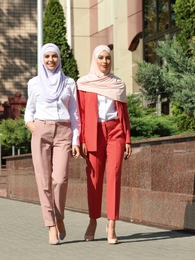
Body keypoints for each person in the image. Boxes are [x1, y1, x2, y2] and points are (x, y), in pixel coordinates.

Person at [24, 43, 81, 245]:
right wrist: (34, 128)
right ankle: (50, 225)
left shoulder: (69, 83)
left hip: (64, 132)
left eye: (54, 56)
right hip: (41, 131)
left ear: (59, 58)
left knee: (60, 179)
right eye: (47, 56)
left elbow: (75, 114)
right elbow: (28, 112)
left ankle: (60, 217)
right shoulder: (34, 83)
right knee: (43, 181)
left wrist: (76, 139)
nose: (50, 60)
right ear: (42, 59)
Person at [77, 45, 132, 244]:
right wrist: (81, 139)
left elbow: (124, 113)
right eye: (100, 57)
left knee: (114, 175)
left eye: (108, 58)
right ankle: (93, 221)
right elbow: (80, 114)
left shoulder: (118, 84)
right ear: (94, 59)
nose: (104, 61)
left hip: (115, 131)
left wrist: (127, 138)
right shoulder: (83, 83)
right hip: (93, 132)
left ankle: (112, 225)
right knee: (94, 178)